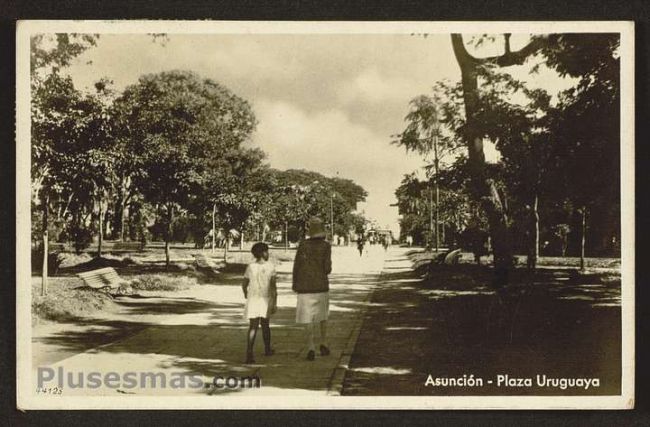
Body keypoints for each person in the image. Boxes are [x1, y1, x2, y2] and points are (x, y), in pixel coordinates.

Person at [293, 217, 332, 361]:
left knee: (307, 318)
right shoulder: (326, 246)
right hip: (321, 285)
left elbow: (296, 265)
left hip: (304, 287)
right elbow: (327, 268)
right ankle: (323, 342)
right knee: (322, 316)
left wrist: (295, 283)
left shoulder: (303, 245)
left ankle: (310, 346)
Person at [242, 242, 277, 364]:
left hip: (253, 299)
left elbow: (244, 283)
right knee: (265, 325)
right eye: (267, 251)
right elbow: (273, 287)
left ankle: (249, 353)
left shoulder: (250, 266)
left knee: (253, 326)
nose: (268, 254)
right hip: (265, 299)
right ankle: (267, 349)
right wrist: (275, 301)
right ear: (263, 253)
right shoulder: (270, 267)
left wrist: (246, 294)